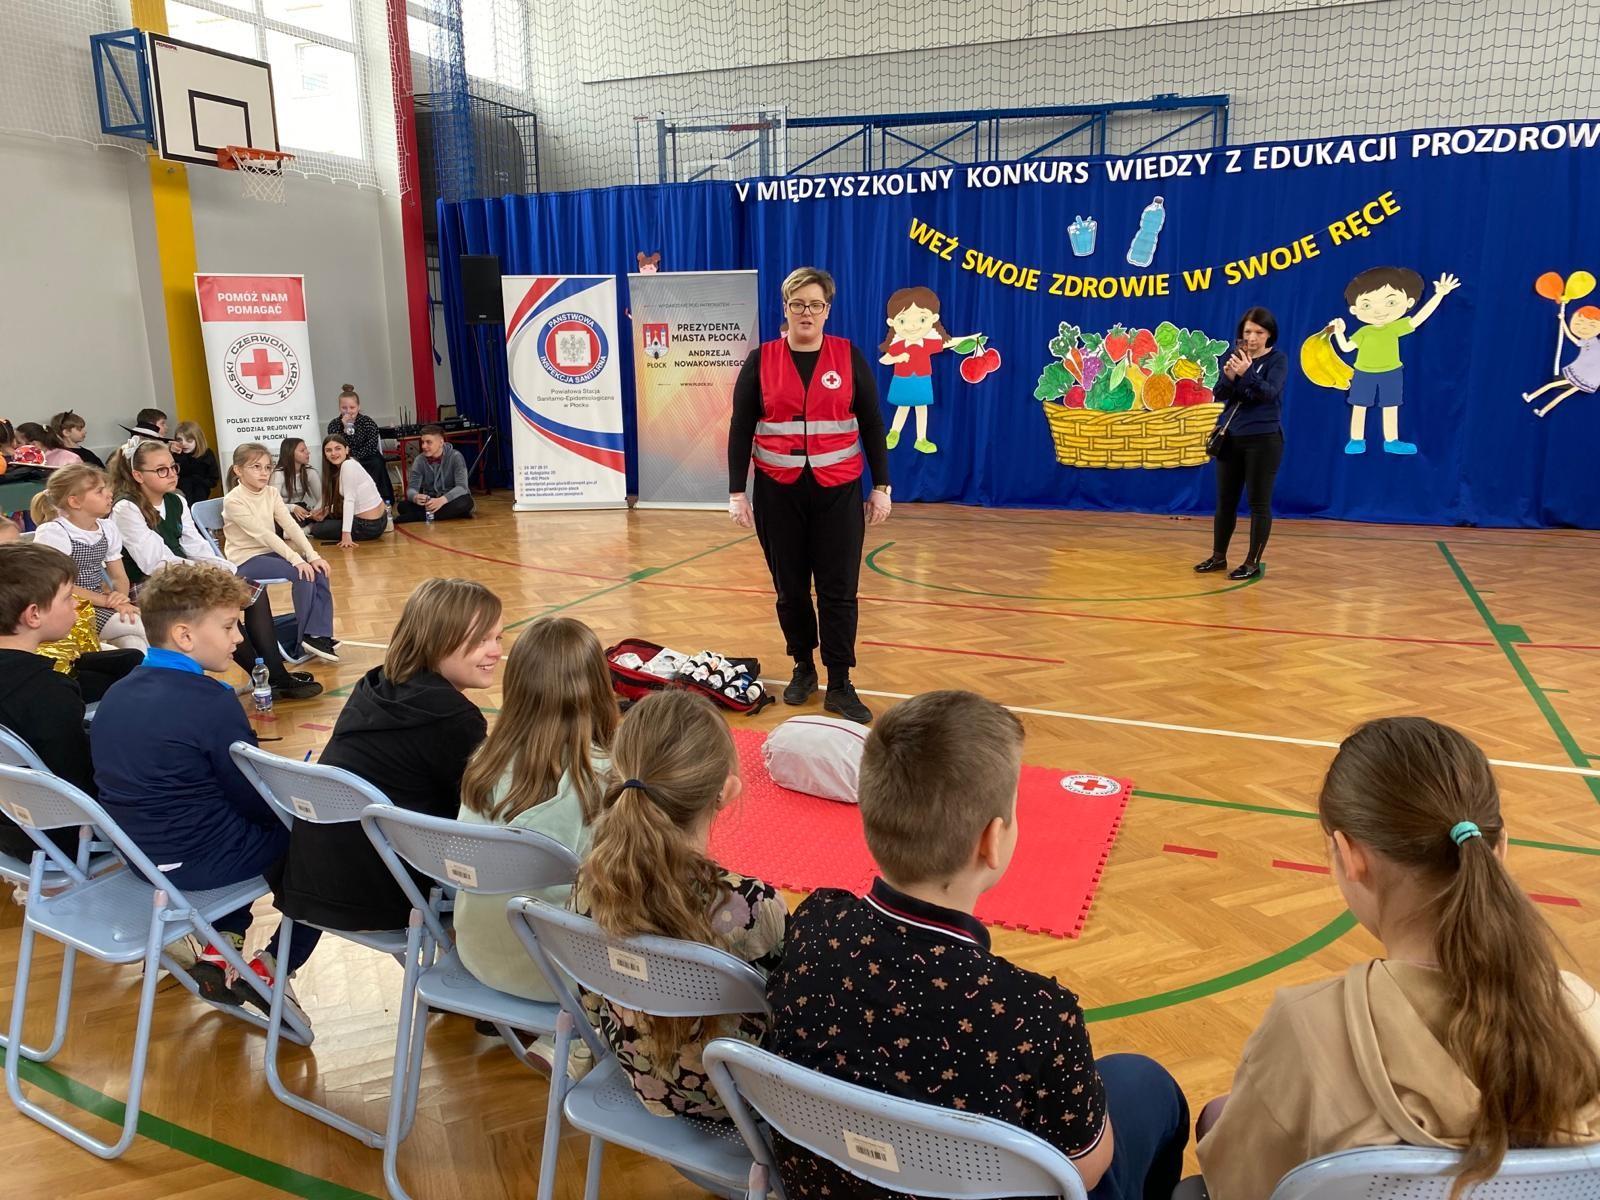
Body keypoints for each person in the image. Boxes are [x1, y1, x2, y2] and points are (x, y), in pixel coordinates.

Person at [765, 689, 1190, 1200]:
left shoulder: (815, 921)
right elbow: (1083, 1171)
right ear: (992, 841)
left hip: (821, 1181)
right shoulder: (1038, 1014)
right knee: (1148, 1084)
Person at [1196, 716, 1600, 1200]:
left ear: (1349, 855)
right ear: (1501, 849)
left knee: (1213, 1120)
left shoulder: (1304, 1030)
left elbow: (1239, 1188)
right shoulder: (1584, 1011)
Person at [90, 563, 320, 1020]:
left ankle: (222, 945)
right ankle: (276, 965)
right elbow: (251, 794)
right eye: (230, 626)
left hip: (139, 859)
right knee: (324, 847)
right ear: (184, 636)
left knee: (228, 823)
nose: (239, 638)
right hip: (198, 864)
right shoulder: (211, 700)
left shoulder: (117, 693)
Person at [572, 688, 787, 1121]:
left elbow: (589, 1000)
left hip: (637, 1074)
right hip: (742, 1099)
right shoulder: (752, 905)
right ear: (725, 791)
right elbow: (791, 1019)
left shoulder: (592, 879)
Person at [277, 578, 502, 933]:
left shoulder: (375, 685)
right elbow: (477, 814)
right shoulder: (453, 718)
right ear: (437, 640)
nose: (496, 652)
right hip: (386, 893)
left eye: (498, 638)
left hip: (313, 878)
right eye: (481, 641)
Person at [727, 266, 892, 725]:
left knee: (840, 590)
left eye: (815, 305)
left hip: (838, 491)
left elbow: (872, 423)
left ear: (827, 310)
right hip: (778, 493)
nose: (806, 312)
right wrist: (737, 492)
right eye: (798, 304)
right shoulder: (760, 361)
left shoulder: (848, 356)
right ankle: (803, 666)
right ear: (785, 308)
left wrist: (881, 486)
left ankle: (839, 681)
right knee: (791, 590)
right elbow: (740, 428)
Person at [455, 617, 617, 1002]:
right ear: (598, 687)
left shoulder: (485, 761)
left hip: (478, 954)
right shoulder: (605, 778)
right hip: (563, 975)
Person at [109, 437, 322, 701]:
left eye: (173, 467)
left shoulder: (176, 500)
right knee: (220, 603)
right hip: (150, 584)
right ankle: (268, 677)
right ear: (138, 475)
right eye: (161, 470)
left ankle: (274, 673)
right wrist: (204, 575)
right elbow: (153, 562)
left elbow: (195, 545)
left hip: (183, 574)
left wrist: (224, 569)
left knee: (252, 592)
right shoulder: (126, 508)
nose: (172, 474)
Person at [0, 543, 101, 862]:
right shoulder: (47, 691)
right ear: (33, 615)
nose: (78, 603)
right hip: (62, 839)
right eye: (68, 597)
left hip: (9, 828)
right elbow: (78, 783)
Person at [1194, 307, 1288, 582]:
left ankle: (1252, 562)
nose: (1252, 338)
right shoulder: (1234, 357)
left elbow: (1268, 393)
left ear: (1269, 334)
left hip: (1263, 439)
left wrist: (1247, 373)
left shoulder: (1277, 360)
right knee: (1225, 501)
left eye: (1259, 332)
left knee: (1258, 503)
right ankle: (1218, 557)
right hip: (1232, 437)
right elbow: (1220, 393)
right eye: (1248, 332)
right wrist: (1230, 377)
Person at [221, 442, 338, 662]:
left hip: (268, 553)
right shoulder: (233, 500)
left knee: (318, 570)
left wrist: (312, 555)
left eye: (267, 467)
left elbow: (291, 526)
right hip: (245, 560)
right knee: (301, 572)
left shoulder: (271, 493)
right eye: (256, 467)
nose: (264, 473)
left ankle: (318, 634)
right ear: (238, 470)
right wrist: (296, 560)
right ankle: (303, 640)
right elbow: (264, 534)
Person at [1329, 268, 1460, 455]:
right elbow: (1346, 348)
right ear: (1354, 310)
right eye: (1367, 305)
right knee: (1359, 406)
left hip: (1391, 373)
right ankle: (1356, 439)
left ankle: (1391, 441)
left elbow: (1419, 318)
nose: (1379, 311)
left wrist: (1439, 295)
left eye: (1390, 302)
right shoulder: (1364, 332)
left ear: (1409, 303)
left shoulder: (1394, 328)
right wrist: (1339, 333)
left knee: (1390, 406)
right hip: (1364, 373)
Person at [29, 463, 147, 650]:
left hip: (100, 603)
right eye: (100, 491)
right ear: (75, 502)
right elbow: (58, 585)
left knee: (133, 642)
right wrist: (107, 602)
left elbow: (119, 576)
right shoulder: (55, 533)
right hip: (69, 607)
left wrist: (120, 601)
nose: (109, 494)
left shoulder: (107, 528)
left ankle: (145, 669)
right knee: (141, 625)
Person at [878, 285, 977, 454]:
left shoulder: (927, 344)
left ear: (933, 319)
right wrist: (897, 358)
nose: (913, 326)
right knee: (903, 407)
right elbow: (884, 359)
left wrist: (970, 339)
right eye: (903, 321)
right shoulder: (898, 345)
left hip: (922, 379)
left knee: (921, 408)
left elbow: (949, 342)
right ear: (892, 322)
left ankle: (921, 439)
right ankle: (894, 433)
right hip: (902, 379)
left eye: (921, 320)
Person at [308, 433, 388, 548]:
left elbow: (349, 501)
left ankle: (306, 529)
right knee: (324, 517)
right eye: (329, 450)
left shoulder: (348, 465)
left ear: (346, 450)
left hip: (368, 526)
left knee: (318, 529)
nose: (333, 453)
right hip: (380, 521)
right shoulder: (351, 463)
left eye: (338, 448)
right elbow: (357, 501)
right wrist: (328, 510)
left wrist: (346, 535)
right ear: (325, 454)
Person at [1523, 303, 1600, 418]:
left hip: (1585, 376)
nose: (1584, 328)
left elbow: (1571, 338)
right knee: (1562, 394)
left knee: (1553, 386)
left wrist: (1562, 320)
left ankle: (1531, 397)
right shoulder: (1593, 342)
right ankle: (1542, 411)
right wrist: (1563, 320)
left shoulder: (1591, 342)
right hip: (1590, 378)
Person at [326, 383, 394, 505]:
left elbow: (371, 445)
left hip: (366, 456)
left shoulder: (367, 422)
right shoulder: (334, 424)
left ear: (358, 407)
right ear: (339, 408)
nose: (348, 411)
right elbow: (336, 445)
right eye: (344, 408)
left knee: (377, 462)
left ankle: (383, 500)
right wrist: (345, 427)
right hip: (344, 459)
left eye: (352, 408)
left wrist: (356, 457)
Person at [395, 425, 474, 523]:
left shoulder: (455, 456)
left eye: (429, 442)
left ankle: (417, 516)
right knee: (402, 506)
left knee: (466, 502)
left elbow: (462, 487)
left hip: (449, 499)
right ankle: (449, 514)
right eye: (422, 442)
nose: (424, 446)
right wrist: (415, 497)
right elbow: (411, 489)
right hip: (431, 500)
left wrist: (442, 500)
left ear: (441, 442)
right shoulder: (419, 460)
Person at [272, 437, 325, 527]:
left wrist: (314, 512)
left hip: (301, 509)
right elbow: (272, 504)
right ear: (290, 453)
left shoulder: (310, 472)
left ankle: (307, 529)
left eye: (306, 449)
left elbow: (322, 498)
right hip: (283, 510)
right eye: (302, 450)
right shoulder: (278, 474)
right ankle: (306, 529)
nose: (308, 452)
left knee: (325, 518)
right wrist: (293, 508)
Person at [171, 420, 221, 507]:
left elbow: (213, 480)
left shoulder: (207, 454)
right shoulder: (175, 455)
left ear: (198, 440)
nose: (184, 444)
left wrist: (199, 481)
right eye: (180, 440)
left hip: (200, 497)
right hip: (181, 497)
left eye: (189, 440)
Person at [15, 421, 80, 468]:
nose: (14, 446)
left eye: (18, 442)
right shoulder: (23, 461)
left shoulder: (69, 458)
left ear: (34, 444)